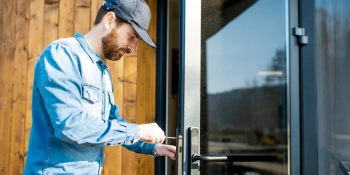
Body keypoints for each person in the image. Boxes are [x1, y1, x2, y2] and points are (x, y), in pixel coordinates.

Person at [24, 0, 176, 174]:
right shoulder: (62, 54)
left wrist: (153, 148)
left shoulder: (102, 71)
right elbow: (71, 125)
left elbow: (114, 123)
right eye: (132, 37)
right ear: (109, 20)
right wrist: (138, 131)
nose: (133, 48)